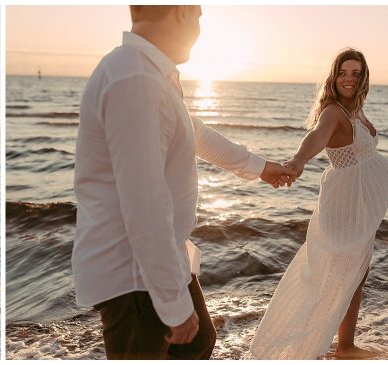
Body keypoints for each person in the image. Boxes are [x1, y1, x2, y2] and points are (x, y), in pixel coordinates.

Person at [72, 5, 297, 360]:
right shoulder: (135, 79)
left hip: (156, 263)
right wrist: (173, 305)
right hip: (135, 273)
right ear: (179, 13)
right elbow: (144, 204)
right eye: (198, 17)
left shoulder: (150, 73)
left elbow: (195, 133)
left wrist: (259, 167)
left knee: (200, 342)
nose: (199, 29)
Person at [250, 48, 388, 359]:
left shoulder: (354, 109)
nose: (349, 79)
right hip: (344, 203)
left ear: (363, 78)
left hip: (359, 207)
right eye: (344, 73)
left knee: (356, 272)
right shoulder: (334, 112)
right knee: (334, 274)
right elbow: (316, 137)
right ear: (334, 76)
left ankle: (345, 344)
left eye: (356, 74)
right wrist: (297, 160)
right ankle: (312, 342)